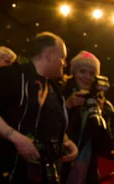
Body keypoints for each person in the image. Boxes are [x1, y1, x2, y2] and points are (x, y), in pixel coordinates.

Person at [0, 32, 78, 183]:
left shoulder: (54, 88)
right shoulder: (11, 74)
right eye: (62, 57)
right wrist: (15, 137)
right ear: (50, 54)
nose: (64, 64)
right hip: (7, 169)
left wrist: (66, 141)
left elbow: (52, 124)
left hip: (40, 173)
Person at [60, 51, 114, 184]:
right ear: (73, 72)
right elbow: (45, 126)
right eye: (82, 71)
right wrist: (66, 106)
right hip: (60, 165)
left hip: (88, 171)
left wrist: (100, 116)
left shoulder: (103, 104)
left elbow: (106, 146)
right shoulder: (59, 94)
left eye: (92, 74)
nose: (87, 77)